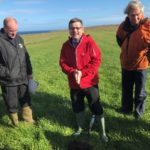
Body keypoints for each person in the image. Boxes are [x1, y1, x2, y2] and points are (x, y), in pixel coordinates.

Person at [59, 18, 108, 142]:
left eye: (78, 28)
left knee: (96, 106)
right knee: (77, 107)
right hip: (74, 84)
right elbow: (62, 63)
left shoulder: (89, 43)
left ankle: (103, 132)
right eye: (72, 28)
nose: (75, 30)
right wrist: (72, 72)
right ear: (69, 30)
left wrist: (82, 72)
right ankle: (80, 128)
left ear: (83, 29)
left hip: (90, 82)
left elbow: (96, 60)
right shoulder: (65, 46)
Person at [116, 0, 150, 119]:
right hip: (126, 63)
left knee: (140, 91)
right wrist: (127, 50)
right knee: (126, 89)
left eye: (138, 14)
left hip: (141, 65)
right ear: (127, 14)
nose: (135, 17)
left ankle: (138, 113)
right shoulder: (123, 26)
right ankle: (126, 109)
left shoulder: (148, 25)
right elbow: (119, 39)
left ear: (141, 13)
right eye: (132, 15)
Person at [0, 17, 34, 126]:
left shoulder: (19, 39)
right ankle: (16, 125)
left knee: (26, 100)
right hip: (9, 81)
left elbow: (26, 57)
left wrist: (29, 73)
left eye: (16, 30)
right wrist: (7, 73)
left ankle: (29, 121)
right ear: (4, 28)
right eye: (11, 31)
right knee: (12, 104)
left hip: (23, 78)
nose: (14, 33)